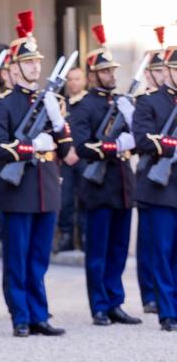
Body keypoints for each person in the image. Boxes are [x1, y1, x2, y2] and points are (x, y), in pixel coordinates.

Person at [0, 10, 70, 337]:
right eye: (29, 62)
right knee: (17, 258)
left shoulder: (50, 101)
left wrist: (60, 124)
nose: (36, 66)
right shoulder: (4, 105)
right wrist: (28, 147)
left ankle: (39, 314)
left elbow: (67, 150)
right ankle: (20, 316)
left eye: (37, 62)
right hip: (18, 189)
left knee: (39, 258)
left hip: (46, 188)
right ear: (14, 68)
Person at [69, 25, 141, 326]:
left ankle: (115, 301)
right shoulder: (84, 106)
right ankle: (98, 305)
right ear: (93, 75)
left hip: (122, 185)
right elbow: (83, 147)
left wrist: (131, 121)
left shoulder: (123, 103)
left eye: (113, 71)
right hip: (98, 187)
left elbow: (139, 138)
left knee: (118, 250)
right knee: (97, 251)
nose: (112, 75)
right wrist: (114, 146)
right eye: (105, 71)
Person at [131, 40, 177, 331]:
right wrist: (172, 146)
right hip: (161, 188)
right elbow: (142, 140)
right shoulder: (148, 102)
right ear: (168, 72)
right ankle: (168, 311)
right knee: (162, 251)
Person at [135, 26, 167, 316]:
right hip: (152, 178)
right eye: (156, 71)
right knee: (151, 241)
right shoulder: (144, 101)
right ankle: (151, 294)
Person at [56, 67, 87, 252]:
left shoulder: (88, 103)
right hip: (65, 159)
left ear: (84, 81)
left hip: (83, 158)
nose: (73, 82)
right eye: (70, 79)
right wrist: (65, 152)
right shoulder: (62, 104)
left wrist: (78, 150)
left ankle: (84, 236)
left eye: (77, 79)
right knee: (65, 199)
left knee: (84, 198)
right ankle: (66, 236)